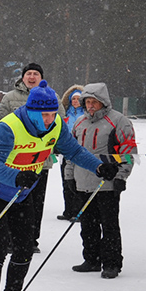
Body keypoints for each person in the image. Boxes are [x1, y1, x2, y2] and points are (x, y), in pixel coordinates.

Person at [0, 81, 117, 291]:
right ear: (31, 111)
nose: (50, 119)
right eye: (45, 115)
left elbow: (74, 152)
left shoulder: (57, 125)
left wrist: (97, 167)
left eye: (53, 113)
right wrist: (16, 176)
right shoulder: (9, 126)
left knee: (25, 247)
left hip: (21, 194)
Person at [70, 83, 136, 279]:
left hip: (106, 183)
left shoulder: (119, 121)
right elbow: (71, 152)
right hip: (82, 182)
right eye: (87, 102)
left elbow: (128, 151)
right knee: (87, 225)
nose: (90, 106)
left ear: (103, 102)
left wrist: (121, 176)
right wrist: (69, 176)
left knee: (109, 225)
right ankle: (91, 259)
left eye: (94, 102)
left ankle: (112, 263)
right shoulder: (79, 123)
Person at [0, 63, 60, 252]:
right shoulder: (10, 97)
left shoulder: (52, 97)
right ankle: (10, 238)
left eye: (36, 74)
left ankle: (31, 240)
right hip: (15, 162)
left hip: (41, 162)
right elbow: (0, 121)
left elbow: (59, 123)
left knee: (36, 203)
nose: (32, 77)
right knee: (13, 201)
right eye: (29, 74)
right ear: (23, 77)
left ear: (41, 78)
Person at [57, 86, 85, 220]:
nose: (75, 101)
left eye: (78, 99)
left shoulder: (85, 114)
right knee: (66, 181)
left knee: (78, 182)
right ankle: (68, 210)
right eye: (73, 99)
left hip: (80, 152)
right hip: (66, 151)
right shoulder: (65, 114)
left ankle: (78, 211)